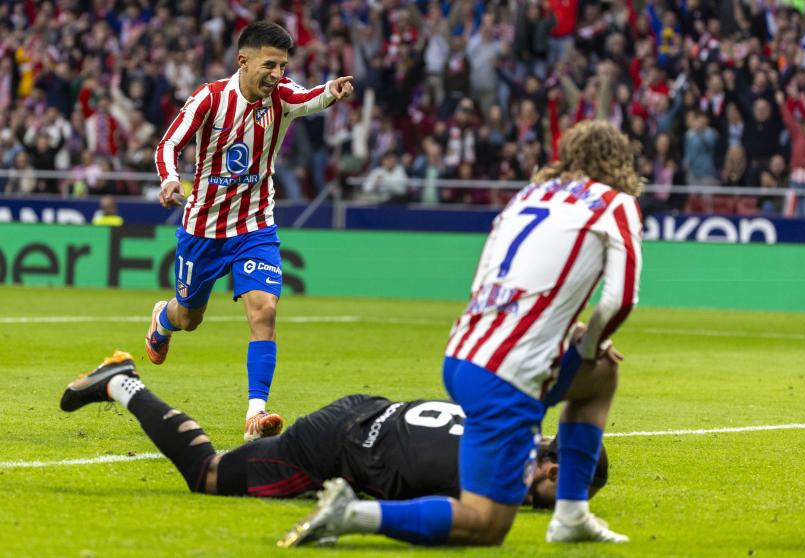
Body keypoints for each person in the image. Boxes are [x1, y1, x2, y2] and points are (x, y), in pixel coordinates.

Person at [280, 120, 642, 547]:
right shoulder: (615, 204)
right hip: (507, 374)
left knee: (599, 374)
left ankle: (572, 514)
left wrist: (569, 336)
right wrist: (588, 341)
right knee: (484, 523)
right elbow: (620, 299)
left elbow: (494, 277)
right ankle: (353, 514)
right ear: (618, 162)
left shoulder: (529, 195)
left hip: (462, 354)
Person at [146, 22, 354, 442]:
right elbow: (168, 145)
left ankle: (255, 414)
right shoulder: (210, 98)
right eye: (270, 65)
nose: (277, 74)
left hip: (254, 225)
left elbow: (309, 98)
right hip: (202, 229)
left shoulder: (282, 97)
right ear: (243, 61)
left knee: (265, 310)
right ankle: (163, 320)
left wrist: (331, 91)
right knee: (189, 318)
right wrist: (169, 180)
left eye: (283, 66)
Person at [58, 351, 609, 506]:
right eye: (570, 490)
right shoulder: (502, 479)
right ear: (558, 467)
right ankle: (121, 383)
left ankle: (119, 380)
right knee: (208, 473)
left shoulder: (508, 423)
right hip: (335, 446)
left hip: (364, 412)